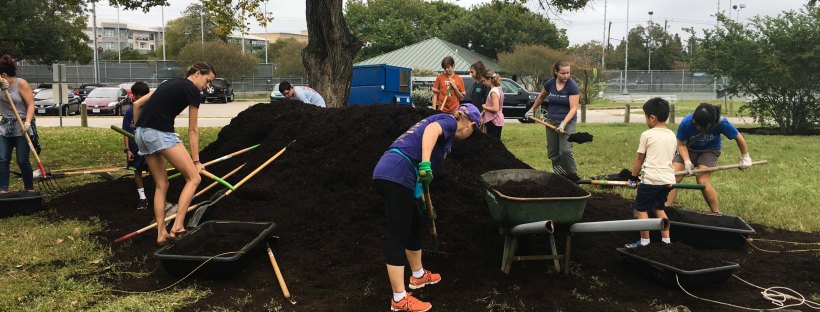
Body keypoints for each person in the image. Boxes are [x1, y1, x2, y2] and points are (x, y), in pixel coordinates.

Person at [372, 104, 481, 312]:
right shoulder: (449, 121)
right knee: (398, 234)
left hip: (397, 173)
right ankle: (399, 298)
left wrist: (421, 200)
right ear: (471, 125)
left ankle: (419, 276)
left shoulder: (445, 126)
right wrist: (425, 164)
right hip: (396, 174)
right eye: (473, 131)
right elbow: (430, 133)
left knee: (414, 223)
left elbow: (417, 166)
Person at [133, 63, 214, 245]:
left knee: (162, 184)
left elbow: (137, 104)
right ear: (196, 73)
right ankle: (177, 226)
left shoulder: (167, 82)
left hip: (142, 134)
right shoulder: (192, 90)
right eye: (207, 80)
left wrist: (138, 128)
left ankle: (161, 233)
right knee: (194, 179)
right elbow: (192, 129)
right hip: (161, 133)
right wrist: (196, 161)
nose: (206, 85)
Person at [665, 103, 751, 214]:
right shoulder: (687, 122)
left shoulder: (722, 123)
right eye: (696, 125)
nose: (698, 128)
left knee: (702, 181)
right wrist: (687, 161)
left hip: (710, 150)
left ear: (710, 123)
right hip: (689, 149)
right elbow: (681, 144)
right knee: (673, 177)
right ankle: (665, 209)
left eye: (701, 126)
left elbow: (738, 137)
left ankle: (716, 213)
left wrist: (745, 157)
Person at [624, 98, 676, 248]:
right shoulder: (672, 134)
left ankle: (644, 242)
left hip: (651, 180)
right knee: (659, 208)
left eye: (646, 116)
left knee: (641, 210)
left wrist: (633, 178)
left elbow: (640, 159)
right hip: (667, 180)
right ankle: (666, 241)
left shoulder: (647, 134)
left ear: (652, 117)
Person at [525, 61, 581, 179]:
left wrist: (563, 123)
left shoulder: (572, 86)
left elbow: (574, 108)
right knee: (553, 153)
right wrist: (532, 109)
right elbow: (541, 97)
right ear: (556, 72)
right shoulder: (550, 83)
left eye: (568, 73)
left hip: (568, 122)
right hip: (551, 121)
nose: (566, 76)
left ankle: (574, 176)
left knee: (565, 150)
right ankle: (560, 176)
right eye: (563, 73)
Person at [0, 54, 36, 193]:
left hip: (21, 127)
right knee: (2, 160)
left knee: (22, 160)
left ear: (3, 74)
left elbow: (31, 105)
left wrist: (27, 122)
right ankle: (2, 190)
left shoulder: (21, 83)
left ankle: (29, 188)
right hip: (5, 127)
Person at [122, 82, 151, 210]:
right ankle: (142, 198)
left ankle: (161, 197)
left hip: (151, 147)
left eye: (135, 95)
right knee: (137, 172)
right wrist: (128, 150)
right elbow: (126, 132)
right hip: (135, 149)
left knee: (156, 172)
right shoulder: (130, 112)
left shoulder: (152, 110)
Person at [480, 69, 504, 140]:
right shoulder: (499, 89)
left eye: (484, 81)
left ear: (489, 79)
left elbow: (495, 108)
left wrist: (485, 107)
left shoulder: (493, 92)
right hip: (497, 120)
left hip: (493, 121)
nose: (483, 83)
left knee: (492, 143)